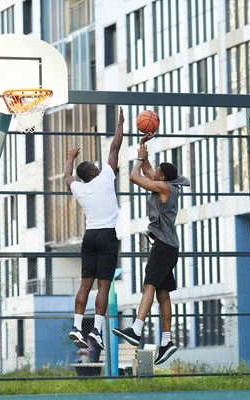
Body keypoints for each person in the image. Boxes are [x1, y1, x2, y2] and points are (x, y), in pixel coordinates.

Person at [113, 133, 190, 365]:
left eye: (157, 170)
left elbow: (136, 176)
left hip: (163, 247)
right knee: (162, 293)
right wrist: (143, 146)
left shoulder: (164, 188)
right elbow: (147, 171)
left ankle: (135, 330)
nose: (153, 171)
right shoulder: (165, 186)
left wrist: (138, 160)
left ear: (162, 176)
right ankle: (167, 341)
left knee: (149, 285)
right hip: (168, 246)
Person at [65, 107, 125, 351]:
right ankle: (97, 332)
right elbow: (114, 148)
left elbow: (67, 177)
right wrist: (120, 125)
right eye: (95, 166)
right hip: (107, 236)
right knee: (104, 286)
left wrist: (70, 157)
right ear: (93, 171)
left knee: (84, 285)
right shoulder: (106, 177)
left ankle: (77, 326)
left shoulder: (80, 189)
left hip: (89, 237)